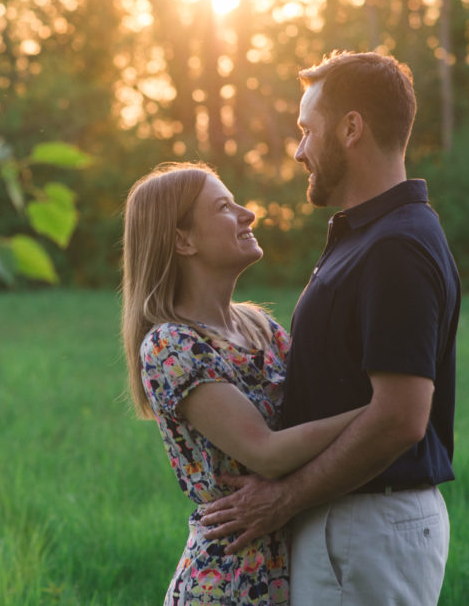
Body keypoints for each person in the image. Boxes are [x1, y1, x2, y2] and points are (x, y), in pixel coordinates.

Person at [202, 51, 460, 605]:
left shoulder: (396, 246)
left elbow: (400, 418)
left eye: (305, 130)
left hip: (365, 526)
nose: (299, 151)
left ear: (350, 128)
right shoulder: (372, 237)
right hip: (353, 525)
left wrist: (283, 499)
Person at [122, 161, 366, 605]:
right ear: (183, 239)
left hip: (299, 562)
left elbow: (313, 411)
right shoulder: (171, 345)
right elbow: (267, 454)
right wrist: (380, 412)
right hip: (230, 581)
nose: (247, 214)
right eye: (223, 207)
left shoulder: (260, 326)